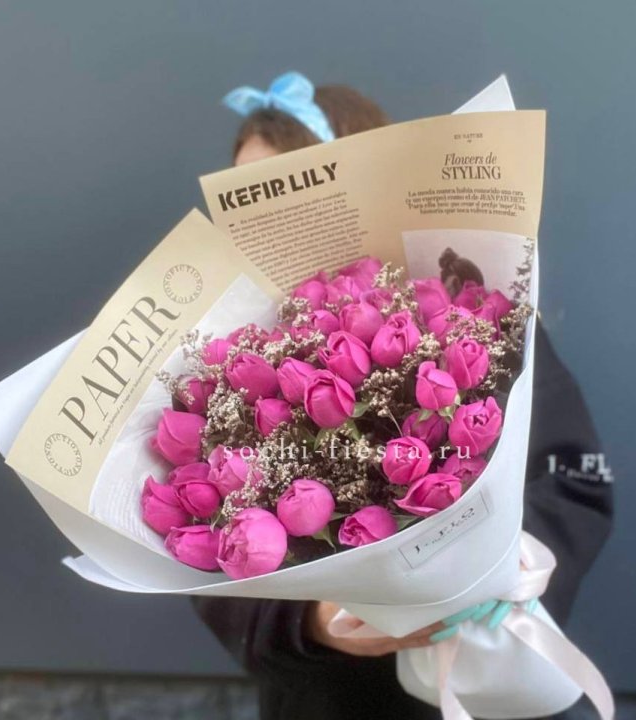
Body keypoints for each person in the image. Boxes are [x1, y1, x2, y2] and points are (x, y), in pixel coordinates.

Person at [193, 72, 614, 720]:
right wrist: (311, 622)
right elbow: (200, 546)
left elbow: (573, 483)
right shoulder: (230, 368)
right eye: (241, 205)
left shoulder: (477, 326)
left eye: (285, 195)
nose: (263, 228)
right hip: (324, 701)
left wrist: (491, 572)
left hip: (477, 675)